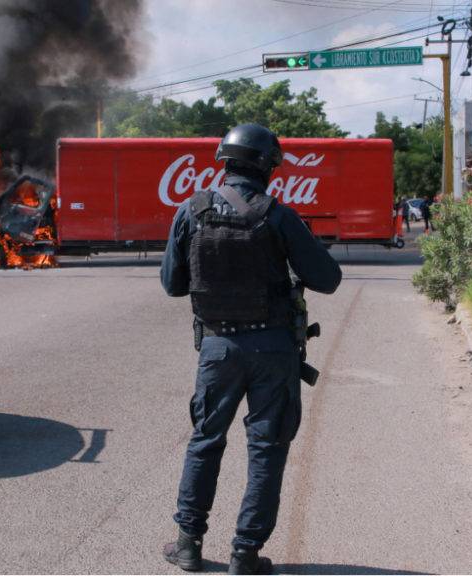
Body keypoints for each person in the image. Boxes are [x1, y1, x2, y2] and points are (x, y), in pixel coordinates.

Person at [160, 123, 342, 574]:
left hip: (217, 349)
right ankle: (245, 554)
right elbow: (329, 278)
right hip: (272, 349)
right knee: (267, 447)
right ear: (268, 167)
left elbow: (172, 284)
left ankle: (187, 544)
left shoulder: (191, 210)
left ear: (224, 161)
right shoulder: (277, 215)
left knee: (205, 441)